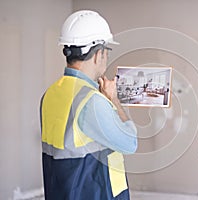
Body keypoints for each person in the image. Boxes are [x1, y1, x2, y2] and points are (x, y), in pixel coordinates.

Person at [39, 10, 138, 200]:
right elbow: (130, 142)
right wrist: (114, 100)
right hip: (95, 194)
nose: (106, 57)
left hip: (62, 192)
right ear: (98, 53)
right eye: (106, 51)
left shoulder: (49, 95)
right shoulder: (92, 101)